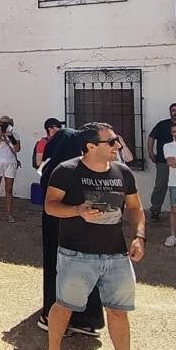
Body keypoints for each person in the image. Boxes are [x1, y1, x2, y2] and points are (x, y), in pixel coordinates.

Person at [40, 122, 151, 350]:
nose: (118, 146)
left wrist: (139, 236)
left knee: (118, 312)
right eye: (112, 142)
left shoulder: (122, 172)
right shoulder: (66, 171)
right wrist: (77, 210)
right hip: (76, 254)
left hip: (116, 255)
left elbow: (136, 207)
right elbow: (50, 205)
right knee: (64, 306)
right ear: (91, 146)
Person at [36, 127, 105, 337]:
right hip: (78, 227)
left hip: (60, 227)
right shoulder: (78, 168)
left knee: (60, 270)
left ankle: (59, 315)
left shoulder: (55, 168)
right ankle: (81, 317)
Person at [0, 116, 20, 221]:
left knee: (9, 189)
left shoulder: (15, 134)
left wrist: (10, 137)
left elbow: (17, 149)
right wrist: (1, 136)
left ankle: (9, 213)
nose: (4, 126)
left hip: (10, 162)